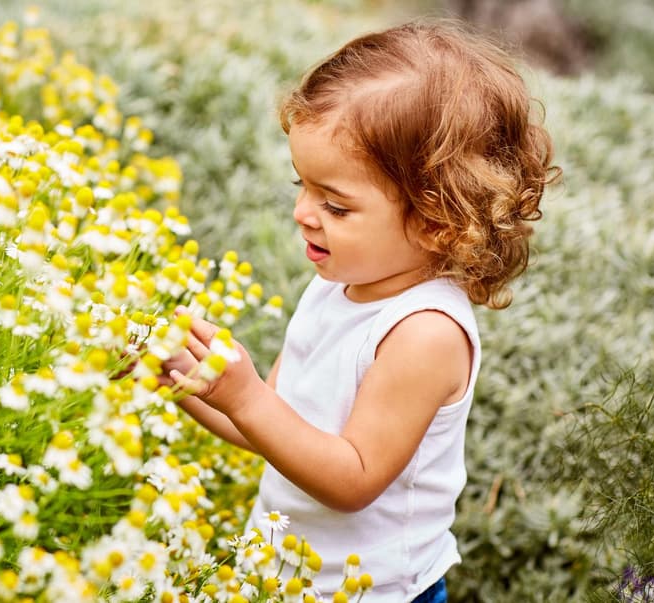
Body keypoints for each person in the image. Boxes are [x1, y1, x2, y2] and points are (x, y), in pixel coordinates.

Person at [161, 19, 559, 603]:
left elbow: (351, 479)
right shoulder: (336, 285)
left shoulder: (425, 333)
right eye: (302, 184)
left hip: (374, 593)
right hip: (283, 576)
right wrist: (184, 378)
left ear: (436, 220)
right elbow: (272, 429)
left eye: (336, 205)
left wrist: (244, 395)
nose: (302, 212)